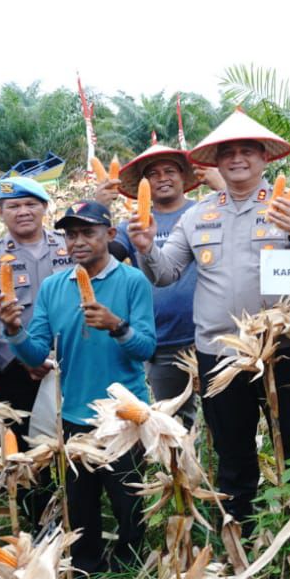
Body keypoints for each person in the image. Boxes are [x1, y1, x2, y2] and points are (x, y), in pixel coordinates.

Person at [131, 109, 290, 524]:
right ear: (215, 162)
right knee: (232, 445)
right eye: (228, 152)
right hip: (217, 350)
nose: (237, 159)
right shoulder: (198, 215)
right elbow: (165, 274)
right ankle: (241, 524)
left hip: (280, 344)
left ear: (264, 158)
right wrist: (147, 247)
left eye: (247, 151)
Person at [2, 200, 156, 574]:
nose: (78, 242)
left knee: (129, 500)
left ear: (110, 234)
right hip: (73, 414)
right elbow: (37, 352)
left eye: (88, 232)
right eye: (71, 235)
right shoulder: (55, 287)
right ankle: (87, 570)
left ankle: (131, 569)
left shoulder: (132, 281)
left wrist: (117, 325)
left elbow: (147, 347)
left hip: (123, 415)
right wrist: (13, 330)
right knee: (81, 504)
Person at [114, 143, 203, 428]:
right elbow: (106, 255)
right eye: (152, 174)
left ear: (182, 176)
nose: (162, 178)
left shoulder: (204, 214)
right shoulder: (132, 226)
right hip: (161, 341)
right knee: (173, 424)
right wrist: (100, 206)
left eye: (169, 171)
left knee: (224, 418)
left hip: (207, 335)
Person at [0, 176, 72, 445]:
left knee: (76, 441)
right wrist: (21, 360)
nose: (23, 211)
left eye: (30, 204)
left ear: (45, 207)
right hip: (15, 367)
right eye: (13, 206)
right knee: (21, 447)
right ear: (0, 212)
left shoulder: (70, 246)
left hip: (71, 359)